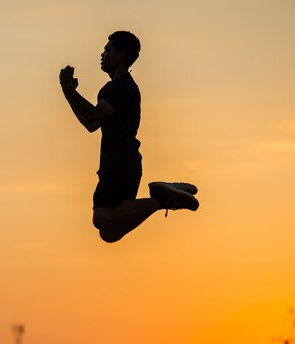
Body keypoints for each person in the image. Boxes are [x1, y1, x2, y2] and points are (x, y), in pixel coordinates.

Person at [60, 31, 199, 243]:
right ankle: (165, 196)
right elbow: (91, 123)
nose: (102, 53)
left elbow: (94, 114)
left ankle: (163, 200)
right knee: (109, 232)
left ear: (120, 56)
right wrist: (68, 92)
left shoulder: (124, 86)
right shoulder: (109, 88)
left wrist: (68, 89)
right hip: (118, 164)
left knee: (101, 219)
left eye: (107, 49)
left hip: (120, 163)